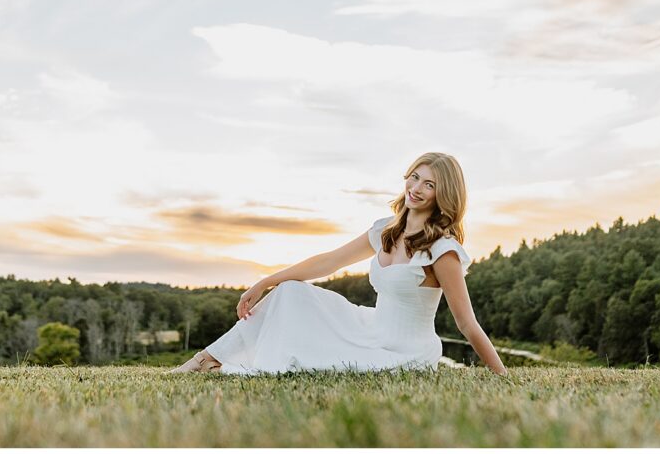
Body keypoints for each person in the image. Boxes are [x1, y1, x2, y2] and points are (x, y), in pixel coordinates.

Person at [168, 152, 508, 376]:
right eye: (414, 177)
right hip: (369, 326)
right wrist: (265, 282)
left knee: (315, 363)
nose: (416, 188)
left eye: (429, 184)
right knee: (291, 292)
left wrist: (502, 377)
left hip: (406, 352)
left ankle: (218, 367)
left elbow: (467, 324)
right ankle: (206, 359)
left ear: (443, 194)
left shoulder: (442, 251)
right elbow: (329, 261)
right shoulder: (384, 232)